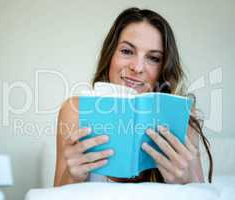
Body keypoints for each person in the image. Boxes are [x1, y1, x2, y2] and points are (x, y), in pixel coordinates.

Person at [53, 7, 213, 186]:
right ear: (110, 55)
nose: (137, 67)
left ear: (163, 68)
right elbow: (57, 192)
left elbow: (201, 191)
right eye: (127, 51)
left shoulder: (183, 116)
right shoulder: (75, 111)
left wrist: (185, 182)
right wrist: (72, 175)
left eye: (153, 58)